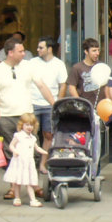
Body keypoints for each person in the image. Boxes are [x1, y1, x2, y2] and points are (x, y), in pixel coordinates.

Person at [0, 37, 55, 200]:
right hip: (6, 116)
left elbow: (41, 86)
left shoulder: (28, 66)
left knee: (32, 150)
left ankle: (35, 185)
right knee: (12, 153)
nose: (24, 53)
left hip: (27, 116)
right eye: (20, 51)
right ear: (10, 53)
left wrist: (54, 104)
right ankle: (14, 187)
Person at [66, 38, 104, 178]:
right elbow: (71, 87)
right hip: (84, 111)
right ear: (86, 52)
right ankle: (81, 169)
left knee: (97, 142)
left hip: (99, 110)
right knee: (83, 140)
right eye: (94, 50)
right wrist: (80, 103)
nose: (97, 53)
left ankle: (95, 172)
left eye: (98, 50)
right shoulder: (77, 68)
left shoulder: (101, 67)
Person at [30, 36, 67, 174]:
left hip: (50, 105)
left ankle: (42, 164)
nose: (37, 49)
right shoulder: (32, 62)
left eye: (41, 47)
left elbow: (63, 85)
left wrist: (58, 103)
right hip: (33, 102)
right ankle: (31, 164)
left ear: (49, 49)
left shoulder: (59, 64)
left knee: (48, 135)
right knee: (30, 135)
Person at [5, 113, 47, 207]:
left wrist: (44, 152)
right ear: (22, 125)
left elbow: (37, 147)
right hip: (19, 161)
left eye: (31, 125)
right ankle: (17, 198)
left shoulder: (33, 138)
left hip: (28, 162)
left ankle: (32, 200)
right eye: (27, 125)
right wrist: (15, 151)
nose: (29, 127)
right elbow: (11, 145)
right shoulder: (18, 136)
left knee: (29, 182)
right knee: (17, 181)